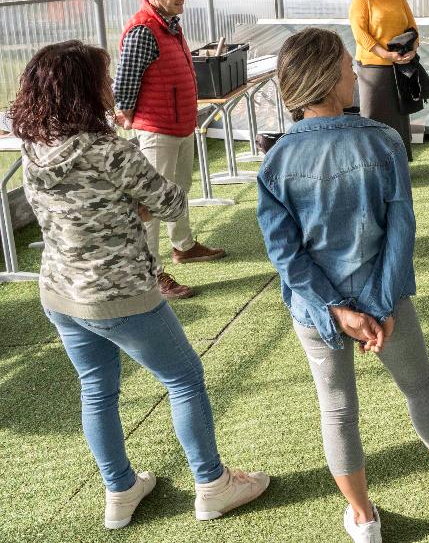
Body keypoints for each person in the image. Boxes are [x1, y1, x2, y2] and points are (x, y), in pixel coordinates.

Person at [12, 41, 269, 531]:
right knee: (184, 379)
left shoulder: (33, 147)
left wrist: (123, 209)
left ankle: (120, 490)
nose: (111, 88)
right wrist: (133, 209)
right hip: (120, 295)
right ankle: (213, 485)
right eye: (103, 80)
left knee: (97, 392)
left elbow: (65, 212)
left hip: (60, 293)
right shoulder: (109, 151)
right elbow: (171, 201)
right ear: (83, 91)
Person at [257, 29, 429, 543]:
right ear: (327, 78)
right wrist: (379, 304)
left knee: (336, 409)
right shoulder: (383, 141)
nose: (353, 70)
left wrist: (335, 310)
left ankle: (363, 518)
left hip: (315, 313)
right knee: (419, 388)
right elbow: (402, 229)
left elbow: (285, 255)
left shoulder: (275, 163)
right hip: (387, 299)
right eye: (345, 65)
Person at [113, 0, 225, 300]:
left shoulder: (169, 26)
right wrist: (130, 116)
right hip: (158, 129)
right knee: (151, 203)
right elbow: (125, 85)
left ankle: (184, 246)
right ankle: (151, 274)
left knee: (178, 189)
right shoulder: (143, 30)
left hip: (178, 125)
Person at [350, 0, 418, 161]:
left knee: (399, 115)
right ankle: (373, 162)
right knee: (374, 116)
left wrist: (413, 49)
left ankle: (399, 161)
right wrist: (385, 54)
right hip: (374, 68)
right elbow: (360, 33)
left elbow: (412, 27)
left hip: (401, 64)